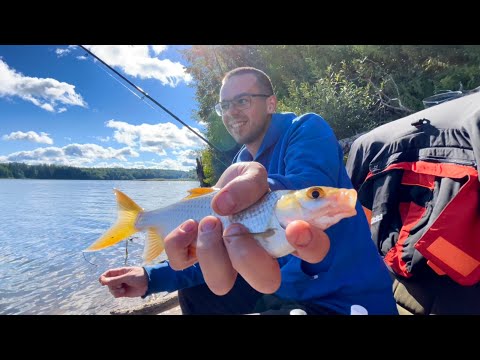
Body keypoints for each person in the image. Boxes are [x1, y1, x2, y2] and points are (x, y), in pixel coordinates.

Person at [99, 67, 398, 315]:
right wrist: (151, 278)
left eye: (242, 100)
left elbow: (306, 183)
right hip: (284, 289)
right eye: (225, 105)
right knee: (195, 295)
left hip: (345, 296)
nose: (231, 112)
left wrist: (257, 190)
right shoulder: (238, 164)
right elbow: (214, 245)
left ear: (271, 103)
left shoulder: (306, 128)